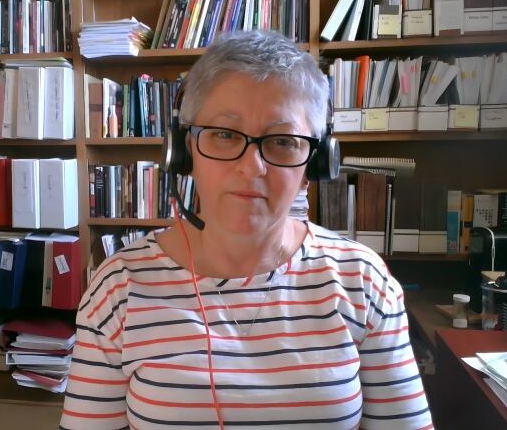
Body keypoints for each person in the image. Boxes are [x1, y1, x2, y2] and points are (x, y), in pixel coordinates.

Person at [60, 30, 432, 430]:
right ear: (183, 153)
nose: (252, 167)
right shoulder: (119, 288)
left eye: (283, 141)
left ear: (316, 164)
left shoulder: (363, 281)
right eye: (223, 134)